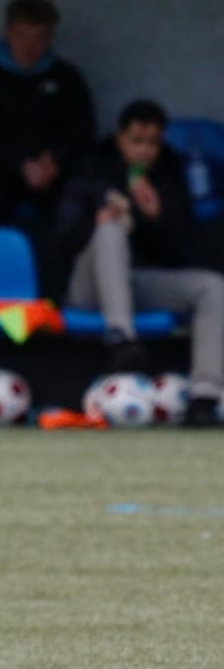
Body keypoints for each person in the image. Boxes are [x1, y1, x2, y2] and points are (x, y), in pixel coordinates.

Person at [52, 99, 224, 427]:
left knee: (212, 287)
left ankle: (205, 395)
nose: (145, 151)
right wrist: (95, 223)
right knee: (110, 231)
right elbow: (59, 240)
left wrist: (155, 217)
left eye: (153, 143)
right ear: (120, 139)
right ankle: (122, 340)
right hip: (87, 287)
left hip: (136, 284)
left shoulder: (168, 172)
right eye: (137, 141)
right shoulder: (93, 165)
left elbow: (180, 253)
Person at [0, 0, 95, 225]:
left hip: (53, 169)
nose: (30, 46)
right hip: (0, 168)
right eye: (22, 36)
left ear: (50, 37)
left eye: (40, 37)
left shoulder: (66, 76)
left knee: (78, 206)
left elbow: (83, 131)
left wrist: (53, 159)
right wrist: (21, 163)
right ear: (7, 32)